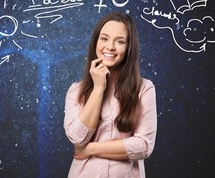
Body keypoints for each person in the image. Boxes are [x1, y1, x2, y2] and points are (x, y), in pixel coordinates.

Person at [63, 12, 157, 178]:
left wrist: (90, 149)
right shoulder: (76, 90)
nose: (110, 47)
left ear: (129, 47)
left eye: (120, 41)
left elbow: (143, 146)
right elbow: (77, 138)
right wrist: (98, 89)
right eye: (104, 38)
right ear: (96, 42)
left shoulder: (144, 88)